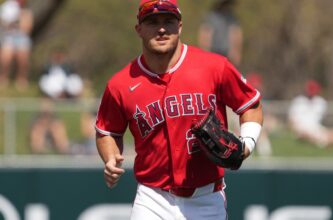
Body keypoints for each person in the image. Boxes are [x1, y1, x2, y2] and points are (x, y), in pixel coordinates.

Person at [95, 0, 263, 219]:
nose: (162, 28)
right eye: (152, 21)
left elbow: (250, 104)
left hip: (207, 198)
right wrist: (109, 157)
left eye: (168, 21)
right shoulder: (121, 83)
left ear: (180, 26)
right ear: (139, 29)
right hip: (152, 198)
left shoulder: (214, 66)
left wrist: (247, 145)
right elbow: (107, 131)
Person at [29, 49, 84, 154]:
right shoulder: (47, 75)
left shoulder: (70, 75)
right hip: (48, 117)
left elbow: (76, 90)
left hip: (59, 118)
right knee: (42, 127)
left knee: (57, 129)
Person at [288, 80, 333, 148]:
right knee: (308, 134)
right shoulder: (298, 101)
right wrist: (295, 129)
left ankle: (324, 141)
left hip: (316, 128)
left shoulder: (321, 102)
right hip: (302, 128)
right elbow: (291, 121)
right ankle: (323, 143)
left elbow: (323, 121)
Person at [0, 0, 33, 90]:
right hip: (8, 37)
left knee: (23, 60)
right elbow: (3, 23)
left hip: (22, 38)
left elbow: (26, 28)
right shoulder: (7, 7)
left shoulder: (26, 10)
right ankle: (3, 78)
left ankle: (21, 80)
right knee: (5, 59)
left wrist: (21, 20)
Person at [198, 0, 242, 66]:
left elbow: (235, 34)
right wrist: (205, 52)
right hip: (214, 52)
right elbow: (205, 34)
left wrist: (236, 52)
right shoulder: (211, 17)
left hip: (227, 54)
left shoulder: (232, 18)